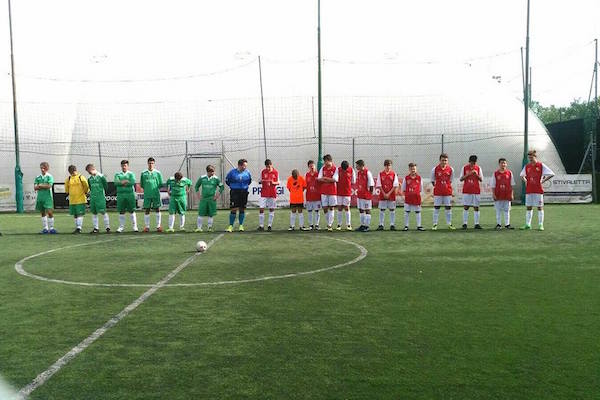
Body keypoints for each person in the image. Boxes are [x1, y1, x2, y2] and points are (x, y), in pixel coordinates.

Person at [520, 149, 555, 231]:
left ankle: (540, 225)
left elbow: (552, 174)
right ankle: (528, 224)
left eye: (531, 157)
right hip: (529, 190)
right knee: (529, 207)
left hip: (538, 190)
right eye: (529, 158)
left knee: (539, 207)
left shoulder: (541, 165)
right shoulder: (527, 166)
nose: (530, 159)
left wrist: (542, 181)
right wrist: (526, 181)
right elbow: (521, 175)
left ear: (535, 157)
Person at [194, 165, 224, 232]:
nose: (213, 173)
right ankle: (199, 228)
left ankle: (209, 227)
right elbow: (196, 186)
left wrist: (217, 196)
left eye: (213, 171)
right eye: (211, 172)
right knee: (200, 213)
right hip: (203, 199)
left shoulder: (216, 179)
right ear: (208, 172)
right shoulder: (202, 178)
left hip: (212, 199)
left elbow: (222, 187)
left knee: (211, 214)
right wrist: (199, 196)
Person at [225, 159, 252, 232]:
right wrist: (234, 186)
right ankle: (230, 226)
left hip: (244, 192)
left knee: (242, 208)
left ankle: (241, 226)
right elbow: (227, 181)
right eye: (244, 166)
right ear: (239, 165)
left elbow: (249, 181)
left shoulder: (247, 172)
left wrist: (243, 187)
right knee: (234, 209)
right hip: (235, 192)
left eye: (246, 166)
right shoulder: (232, 172)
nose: (245, 167)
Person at [431, 153, 456, 230]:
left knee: (448, 207)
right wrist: (438, 186)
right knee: (436, 207)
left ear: (447, 161)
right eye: (442, 160)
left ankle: (449, 224)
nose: (444, 162)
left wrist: (446, 186)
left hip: (447, 192)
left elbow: (451, 180)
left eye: (445, 160)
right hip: (438, 192)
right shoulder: (434, 169)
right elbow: (432, 180)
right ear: (440, 160)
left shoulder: (451, 169)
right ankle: (435, 224)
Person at [140, 157, 164, 232]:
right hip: (147, 194)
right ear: (147, 163)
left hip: (155, 194)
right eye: (150, 163)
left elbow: (160, 184)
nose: (151, 164)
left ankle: (158, 226)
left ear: (154, 163)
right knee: (147, 209)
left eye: (152, 163)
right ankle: (147, 227)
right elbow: (142, 184)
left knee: (157, 209)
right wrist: (148, 189)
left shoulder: (158, 173)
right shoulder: (143, 173)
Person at [491, 158, 516, 230]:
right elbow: (493, 185)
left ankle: (507, 224)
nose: (503, 164)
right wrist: (493, 194)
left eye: (504, 163)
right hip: (498, 193)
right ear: (499, 164)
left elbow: (512, 184)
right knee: (498, 210)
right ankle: (498, 224)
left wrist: (512, 194)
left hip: (507, 194)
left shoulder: (509, 173)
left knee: (507, 210)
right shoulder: (495, 173)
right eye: (502, 163)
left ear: (506, 164)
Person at [460, 155, 483, 229]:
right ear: (469, 161)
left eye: (474, 163)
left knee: (476, 207)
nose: (473, 164)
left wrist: (476, 175)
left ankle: (476, 224)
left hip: (476, 190)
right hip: (467, 190)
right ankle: (465, 223)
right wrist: (468, 174)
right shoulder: (464, 168)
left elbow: (481, 179)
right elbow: (461, 178)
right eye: (472, 162)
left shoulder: (478, 168)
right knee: (466, 207)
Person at [114, 159, 138, 233]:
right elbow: (116, 183)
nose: (124, 167)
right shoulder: (117, 174)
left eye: (125, 165)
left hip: (130, 194)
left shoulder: (131, 174)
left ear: (128, 166)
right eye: (122, 166)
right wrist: (125, 181)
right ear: (121, 166)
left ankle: (135, 227)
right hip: (121, 195)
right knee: (121, 211)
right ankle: (121, 227)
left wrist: (121, 182)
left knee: (132, 210)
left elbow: (132, 182)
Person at [86, 163, 111, 233]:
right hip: (93, 198)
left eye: (89, 171)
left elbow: (106, 186)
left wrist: (100, 191)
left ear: (92, 169)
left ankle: (107, 227)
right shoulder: (89, 178)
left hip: (100, 197)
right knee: (94, 213)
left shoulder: (101, 177)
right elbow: (90, 188)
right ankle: (96, 228)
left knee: (103, 212)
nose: (89, 173)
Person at [64, 165, 89, 234]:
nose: (72, 172)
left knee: (79, 214)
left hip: (80, 199)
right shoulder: (68, 179)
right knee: (75, 214)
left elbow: (86, 186)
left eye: (73, 170)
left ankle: (79, 228)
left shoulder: (81, 177)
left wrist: (85, 192)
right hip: (72, 200)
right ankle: (77, 227)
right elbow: (66, 190)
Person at [376, 159, 399, 230]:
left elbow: (395, 185)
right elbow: (379, 185)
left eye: (389, 165)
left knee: (392, 210)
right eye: (386, 165)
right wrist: (384, 193)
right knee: (382, 210)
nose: (388, 167)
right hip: (383, 195)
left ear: (391, 166)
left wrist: (389, 193)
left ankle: (392, 224)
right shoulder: (380, 174)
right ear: (384, 166)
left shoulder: (394, 174)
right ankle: (381, 224)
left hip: (391, 195)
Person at [34, 161, 56, 234]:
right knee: (42, 212)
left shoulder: (49, 176)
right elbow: (35, 187)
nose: (42, 169)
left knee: (50, 212)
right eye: (41, 168)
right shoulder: (38, 177)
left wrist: (40, 185)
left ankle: (52, 228)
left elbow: (49, 186)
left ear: (47, 168)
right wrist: (42, 186)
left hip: (48, 197)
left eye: (44, 168)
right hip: (40, 197)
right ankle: (45, 228)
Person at [317, 154, 338, 232]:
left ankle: (329, 224)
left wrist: (325, 178)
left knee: (331, 207)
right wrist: (328, 179)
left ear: (329, 161)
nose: (324, 163)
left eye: (325, 161)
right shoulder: (323, 168)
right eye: (324, 161)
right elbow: (319, 179)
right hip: (324, 191)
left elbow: (335, 179)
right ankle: (328, 222)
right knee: (325, 208)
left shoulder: (335, 169)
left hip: (332, 191)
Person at [401, 163, 425, 231]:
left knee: (418, 212)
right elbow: (403, 188)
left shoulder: (419, 178)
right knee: (407, 212)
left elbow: (421, 189)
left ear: (416, 169)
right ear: (409, 169)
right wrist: (407, 195)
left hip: (416, 198)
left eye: (414, 169)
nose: (413, 170)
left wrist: (419, 197)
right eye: (411, 169)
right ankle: (406, 226)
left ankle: (419, 226)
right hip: (408, 198)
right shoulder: (406, 178)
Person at [258, 159, 279, 231]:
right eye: (267, 166)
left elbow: (278, 182)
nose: (268, 168)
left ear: (271, 165)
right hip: (264, 193)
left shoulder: (275, 172)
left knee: (271, 208)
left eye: (269, 166)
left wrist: (273, 182)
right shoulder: (263, 172)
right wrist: (262, 181)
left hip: (272, 193)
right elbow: (259, 181)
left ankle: (269, 225)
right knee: (261, 208)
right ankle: (261, 226)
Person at [355, 159, 374, 232]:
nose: (356, 167)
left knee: (367, 210)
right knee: (361, 209)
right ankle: (362, 225)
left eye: (357, 165)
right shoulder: (359, 173)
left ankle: (367, 226)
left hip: (366, 194)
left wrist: (370, 193)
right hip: (360, 194)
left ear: (361, 165)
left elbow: (371, 184)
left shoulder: (367, 172)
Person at [336, 160, 356, 231]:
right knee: (339, 208)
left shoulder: (351, 170)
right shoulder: (338, 170)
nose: (344, 170)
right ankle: (339, 224)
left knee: (347, 208)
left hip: (347, 192)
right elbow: (335, 179)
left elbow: (353, 181)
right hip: (339, 192)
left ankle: (348, 224)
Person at [305, 160, 321, 230]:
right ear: (308, 167)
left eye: (313, 166)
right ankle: (311, 224)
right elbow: (305, 184)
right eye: (310, 166)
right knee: (309, 210)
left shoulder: (318, 174)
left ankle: (317, 224)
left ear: (315, 166)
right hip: (309, 196)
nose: (312, 167)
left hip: (317, 196)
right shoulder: (307, 175)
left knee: (317, 210)